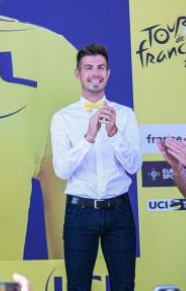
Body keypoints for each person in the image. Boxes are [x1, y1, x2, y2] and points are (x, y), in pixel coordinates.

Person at [50, 44, 141, 291]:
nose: (95, 73)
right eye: (88, 68)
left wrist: (114, 133)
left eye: (101, 67)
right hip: (80, 212)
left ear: (108, 73)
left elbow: (134, 166)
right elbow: (61, 170)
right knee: (78, 287)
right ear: (78, 74)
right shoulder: (62, 118)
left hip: (119, 211)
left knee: (124, 286)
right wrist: (88, 138)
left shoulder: (125, 115)